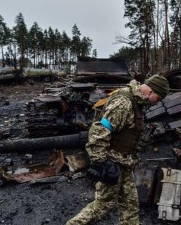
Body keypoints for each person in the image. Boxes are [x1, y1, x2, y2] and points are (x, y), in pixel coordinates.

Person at [66, 74, 170, 225]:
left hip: (125, 164)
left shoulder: (137, 103)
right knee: (102, 206)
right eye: (158, 98)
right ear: (151, 92)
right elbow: (99, 131)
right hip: (112, 163)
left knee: (130, 207)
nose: (156, 103)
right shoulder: (124, 102)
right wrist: (100, 163)